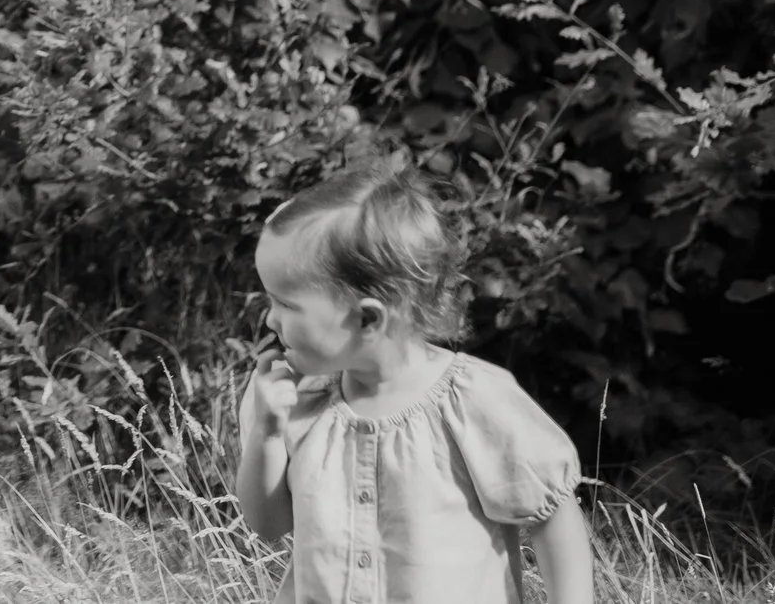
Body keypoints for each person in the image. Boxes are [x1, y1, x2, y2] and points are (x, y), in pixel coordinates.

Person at [237, 165, 593, 604]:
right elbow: (267, 525)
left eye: (285, 303)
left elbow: (552, 516)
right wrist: (267, 435)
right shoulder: (300, 405)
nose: (270, 319)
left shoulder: (474, 402)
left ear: (368, 318)